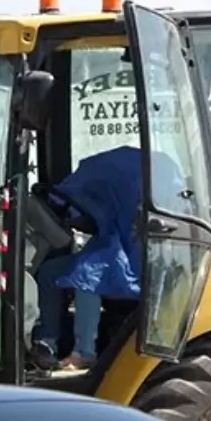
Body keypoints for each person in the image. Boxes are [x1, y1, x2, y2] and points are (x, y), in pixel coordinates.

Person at [32, 145, 144, 371]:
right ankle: (48, 342)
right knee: (50, 271)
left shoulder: (131, 210)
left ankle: (84, 352)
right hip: (114, 247)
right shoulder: (116, 199)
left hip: (132, 258)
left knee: (87, 276)